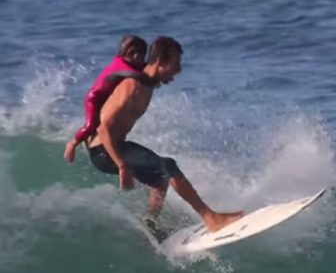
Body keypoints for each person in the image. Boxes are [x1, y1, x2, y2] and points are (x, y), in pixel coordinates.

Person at [82, 36, 244, 242]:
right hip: (104, 151)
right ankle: (211, 218)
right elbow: (103, 128)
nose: (179, 70)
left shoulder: (146, 84)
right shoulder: (132, 86)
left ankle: (151, 226)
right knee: (168, 166)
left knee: (160, 179)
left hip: (114, 147)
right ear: (159, 62)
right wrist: (122, 165)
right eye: (175, 64)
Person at [64, 35, 154, 163]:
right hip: (94, 98)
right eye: (133, 54)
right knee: (91, 125)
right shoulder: (120, 64)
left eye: (141, 55)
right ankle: (72, 143)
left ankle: (96, 141)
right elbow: (133, 74)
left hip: (107, 97)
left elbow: (145, 68)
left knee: (107, 123)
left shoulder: (132, 64)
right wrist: (150, 79)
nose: (137, 58)